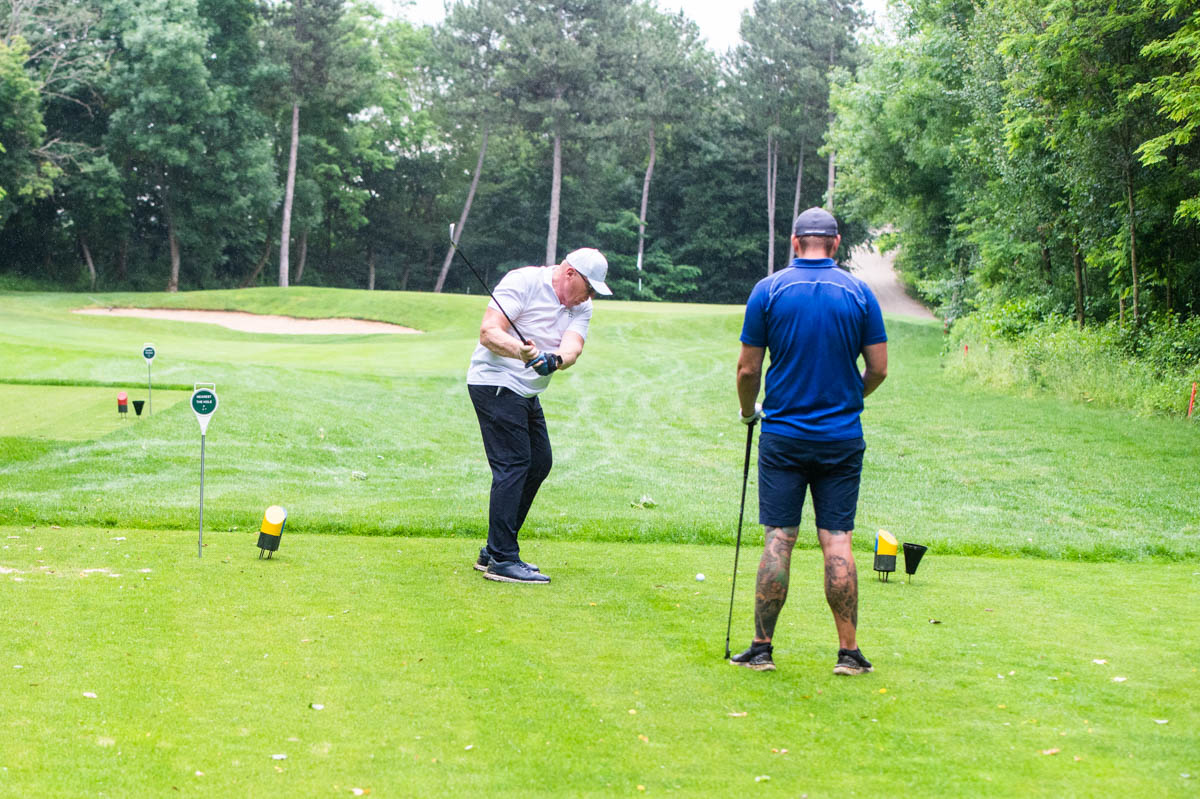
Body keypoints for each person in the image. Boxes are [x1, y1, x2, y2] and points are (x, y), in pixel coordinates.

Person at [730, 207, 888, 674]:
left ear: (795, 242)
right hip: (841, 437)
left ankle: (761, 649)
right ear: (835, 243)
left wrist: (748, 412)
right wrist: (849, 398)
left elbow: (747, 370)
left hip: (783, 435)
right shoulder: (859, 292)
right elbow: (878, 369)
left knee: (779, 539)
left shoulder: (769, 290)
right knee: (837, 540)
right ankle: (849, 654)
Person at [467, 247, 612, 584]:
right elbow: (489, 332)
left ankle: (494, 549)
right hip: (496, 381)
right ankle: (503, 559)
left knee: (539, 462)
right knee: (515, 463)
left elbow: (573, 347)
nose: (590, 296)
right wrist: (521, 352)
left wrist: (554, 360)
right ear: (570, 273)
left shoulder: (581, 306)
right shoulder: (524, 282)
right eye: (589, 288)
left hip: (526, 391)